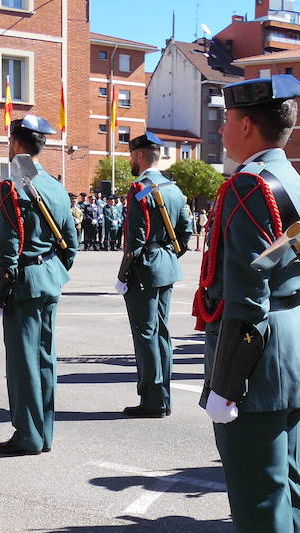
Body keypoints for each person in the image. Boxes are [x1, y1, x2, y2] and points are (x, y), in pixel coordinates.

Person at [190, 75, 300, 533]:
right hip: (293, 351)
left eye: (227, 119)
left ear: (248, 124)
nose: (221, 127)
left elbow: (246, 301)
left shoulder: (248, 187)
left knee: (260, 505)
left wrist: (226, 383)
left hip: (258, 361)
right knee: (287, 498)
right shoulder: (296, 180)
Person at [0, 115, 79, 455]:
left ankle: (27, 435)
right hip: (49, 280)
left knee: (23, 362)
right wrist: (52, 271)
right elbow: (71, 242)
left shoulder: (13, 184)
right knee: (44, 359)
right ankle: (44, 433)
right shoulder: (54, 186)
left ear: (14, 144)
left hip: (24, 282)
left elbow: (8, 248)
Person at [115, 131, 192, 418]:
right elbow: (186, 233)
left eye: (131, 156)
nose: (130, 161)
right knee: (161, 335)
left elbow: (134, 240)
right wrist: (167, 256)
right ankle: (163, 397)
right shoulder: (174, 188)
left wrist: (123, 275)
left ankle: (151, 400)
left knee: (146, 334)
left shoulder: (140, 188)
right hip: (167, 266)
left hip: (145, 269)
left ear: (138, 156)